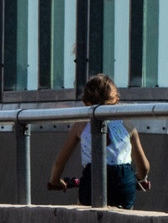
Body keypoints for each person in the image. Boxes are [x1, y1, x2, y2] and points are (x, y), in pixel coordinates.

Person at [47, 74, 151, 208]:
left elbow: (60, 161)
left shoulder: (81, 126)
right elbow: (144, 166)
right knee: (124, 217)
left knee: (84, 212)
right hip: (123, 183)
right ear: (116, 101)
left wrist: (55, 181)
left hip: (93, 179)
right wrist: (140, 179)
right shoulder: (127, 125)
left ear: (85, 102)